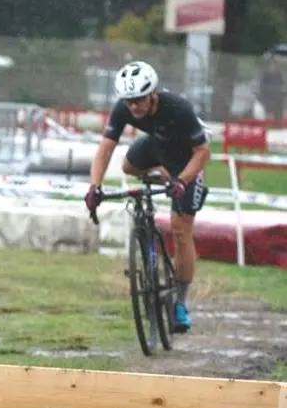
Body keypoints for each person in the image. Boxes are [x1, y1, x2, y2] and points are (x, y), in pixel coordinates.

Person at [85, 60, 210, 333]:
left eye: (139, 100)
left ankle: (181, 303)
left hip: (188, 162)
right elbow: (105, 149)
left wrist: (182, 181)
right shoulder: (124, 109)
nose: (134, 107)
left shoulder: (178, 109)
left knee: (180, 230)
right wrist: (94, 186)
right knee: (128, 166)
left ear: (153, 93)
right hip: (158, 148)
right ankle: (160, 178)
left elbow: (203, 152)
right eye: (129, 102)